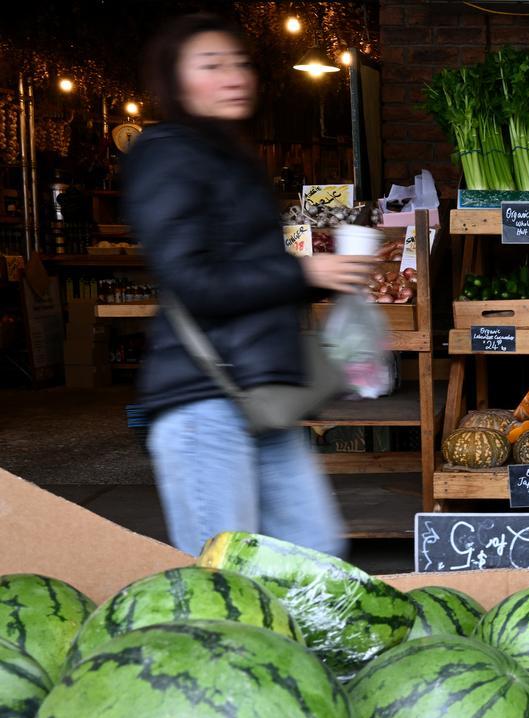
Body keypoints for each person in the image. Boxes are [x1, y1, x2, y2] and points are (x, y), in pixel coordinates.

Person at [125, 14, 374, 556]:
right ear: (175, 80)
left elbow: (246, 272)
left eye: (238, 63)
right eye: (211, 65)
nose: (233, 76)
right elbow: (193, 279)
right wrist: (304, 271)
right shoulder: (165, 154)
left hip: (261, 399)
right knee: (227, 578)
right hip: (203, 403)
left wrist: (321, 278)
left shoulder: (229, 159)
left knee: (315, 556)